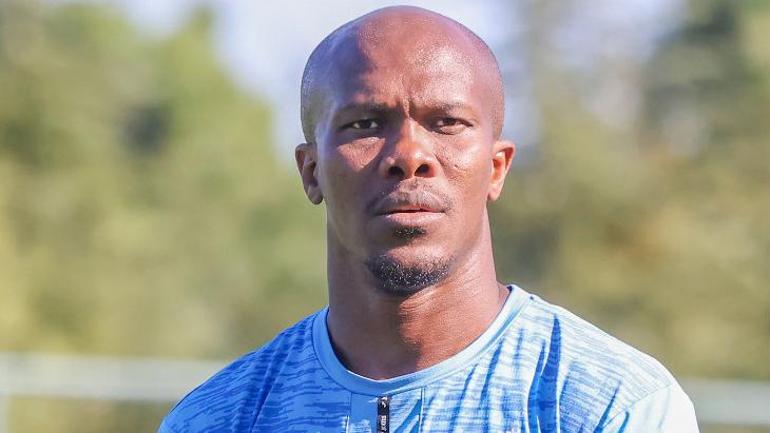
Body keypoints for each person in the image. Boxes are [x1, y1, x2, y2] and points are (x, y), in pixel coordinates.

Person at [158, 6, 699, 433]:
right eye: (366, 123)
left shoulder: (608, 406)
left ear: (496, 168)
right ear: (311, 170)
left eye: (447, 122)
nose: (409, 154)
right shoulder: (218, 419)